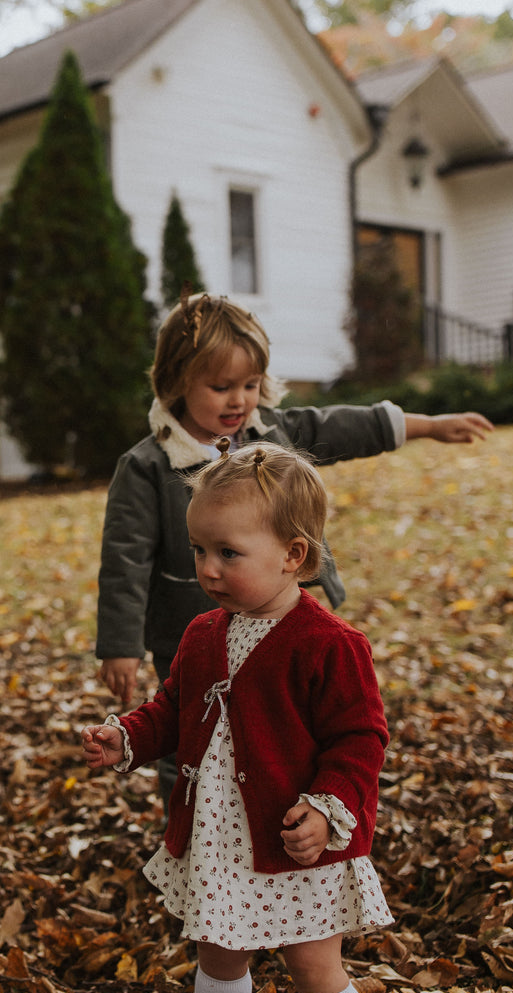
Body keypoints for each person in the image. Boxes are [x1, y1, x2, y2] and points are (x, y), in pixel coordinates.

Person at [82, 441, 392, 993]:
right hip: (223, 838)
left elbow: (359, 738)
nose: (208, 570)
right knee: (220, 949)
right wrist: (130, 737)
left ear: (294, 555)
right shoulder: (201, 635)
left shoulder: (328, 644)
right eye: (199, 551)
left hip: (295, 841)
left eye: (229, 553)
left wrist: (328, 805)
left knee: (314, 964)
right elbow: (173, 710)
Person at [96, 292, 491, 806]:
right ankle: (190, 843)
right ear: (176, 381)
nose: (239, 400)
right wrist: (120, 644)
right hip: (186, 632)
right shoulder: (148, 466)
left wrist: (430, 426)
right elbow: (124, 558)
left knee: (279, 730)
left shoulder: (272, 432)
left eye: (250, 385)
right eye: (221, 387)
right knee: (188, 735)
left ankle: (287, 820)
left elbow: (349, 426)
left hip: (283, 623)